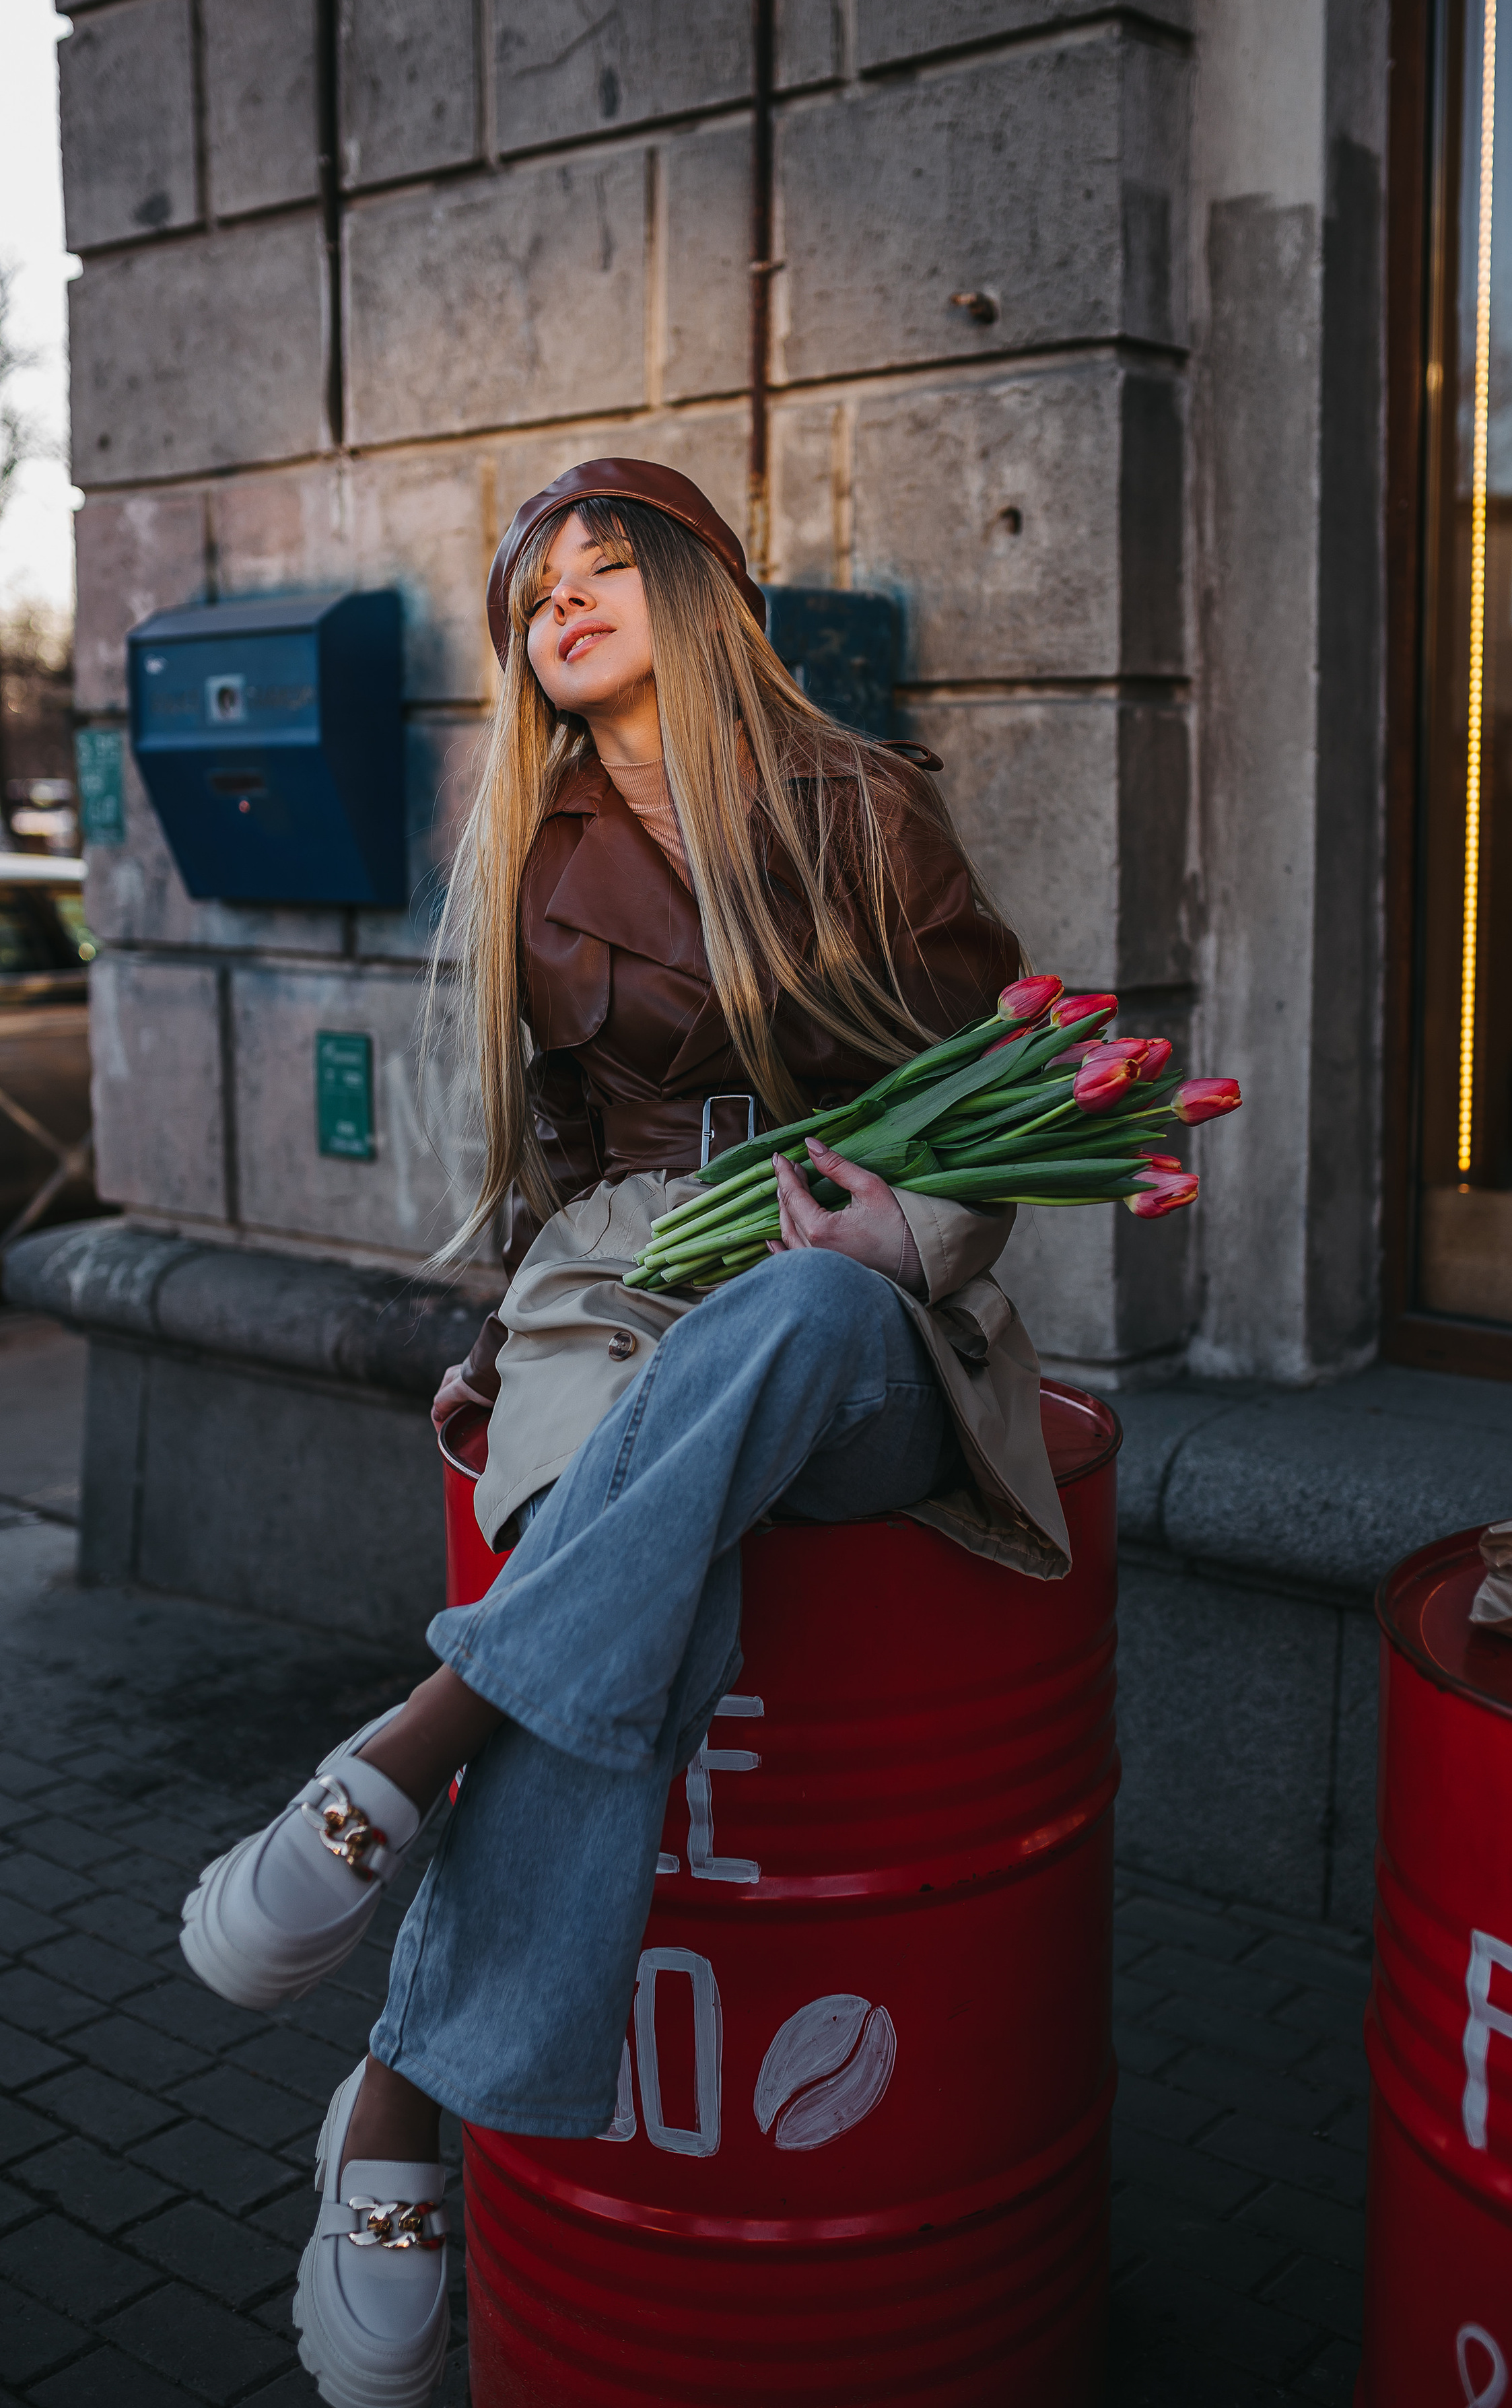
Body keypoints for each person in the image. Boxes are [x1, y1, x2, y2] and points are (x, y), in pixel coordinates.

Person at [177, 460, 1071, 2408]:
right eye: (530, 589)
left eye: (604, 565)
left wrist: (907, 1232)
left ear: (698, 590)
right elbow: (565, 1153)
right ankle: (404, 2131)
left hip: (858, 1306)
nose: (561, 600)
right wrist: (513, 1328)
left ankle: (411, 1780)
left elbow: (994, 1087)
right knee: (640, 1588)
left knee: (808, 1312)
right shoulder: (533, 846)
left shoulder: (866, 804)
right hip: (617, 1278)